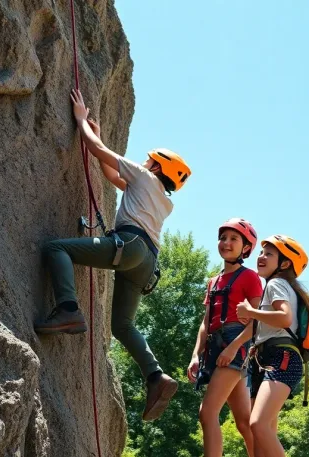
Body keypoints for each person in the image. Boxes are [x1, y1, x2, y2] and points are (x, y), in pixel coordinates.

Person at [34, 89, 189, 421]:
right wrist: (98, 134)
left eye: (150, 159)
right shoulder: (162, 199)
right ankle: (155, 376)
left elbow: (97, 151)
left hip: (129, 247)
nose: (145, 161)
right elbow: (110, 174)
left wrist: (80, 120)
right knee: (123, 324)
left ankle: (68, 310)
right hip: (146, 263)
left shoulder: (145, 176)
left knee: (56, 248)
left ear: (157, 165)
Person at [188, 218, 262, 457]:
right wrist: (195, 355)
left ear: (246, 248)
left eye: (234, 239)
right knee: (244, 421)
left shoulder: (249, 277)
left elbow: (258, 320)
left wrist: (234, 347)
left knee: (207, 412)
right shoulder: (213, 282)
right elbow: (205, 321)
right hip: (214, 345)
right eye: (223, 238)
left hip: (236, 343)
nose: (226, 243)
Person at [236, 234, 309, 457]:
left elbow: (284, 318)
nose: (261, 257)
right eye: (261, 252)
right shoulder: (278, 286)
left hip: (280, 358)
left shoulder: (276, 283)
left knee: (258, 425)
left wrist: (250, 312)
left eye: (269, 253)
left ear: (285, 263)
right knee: (262, 436)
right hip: (268, 359)